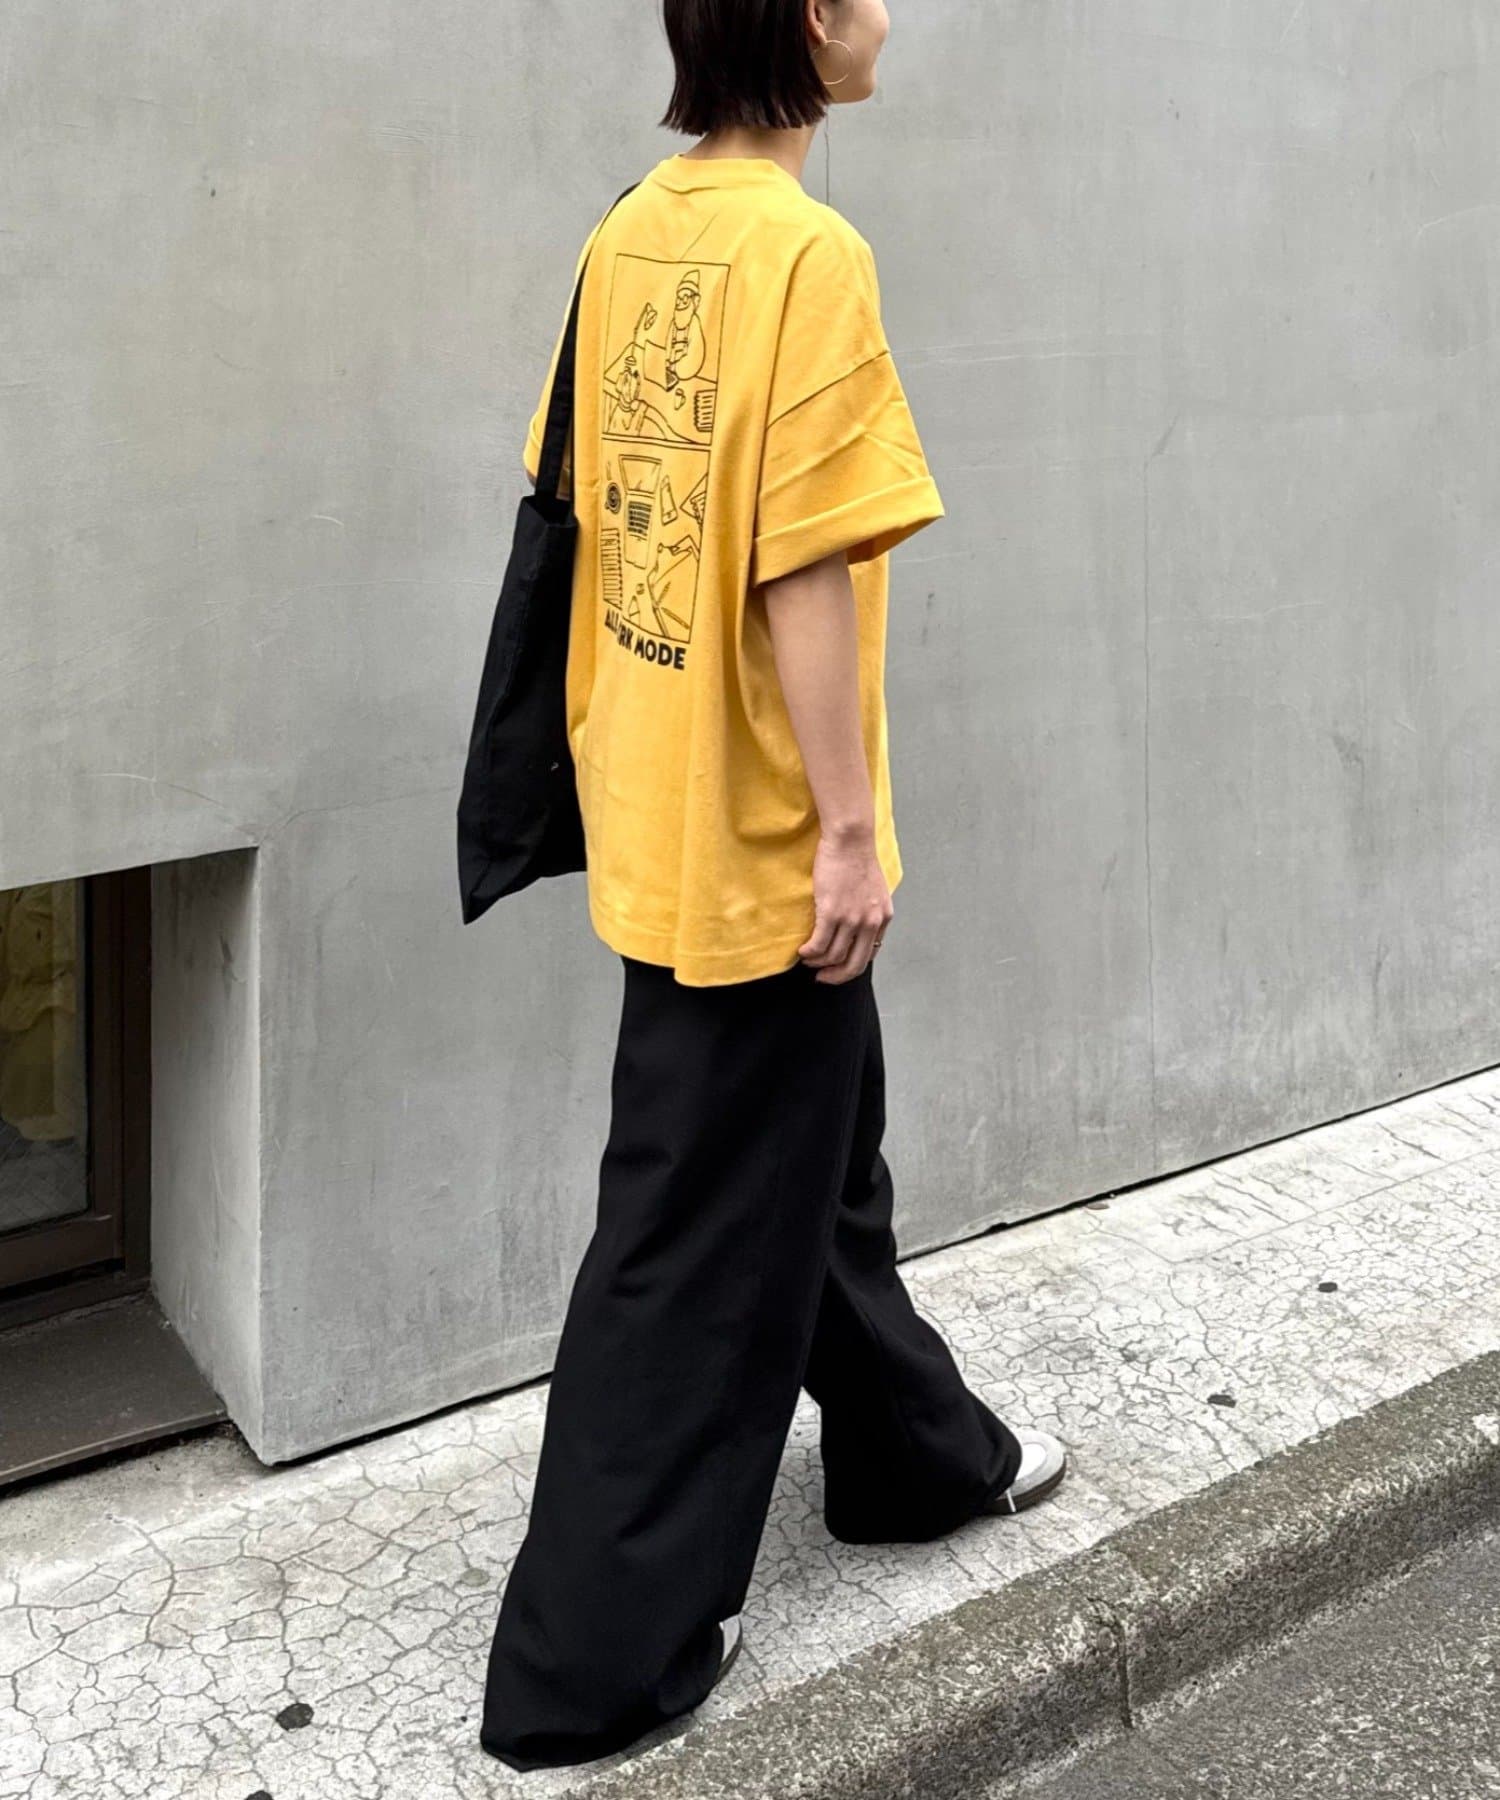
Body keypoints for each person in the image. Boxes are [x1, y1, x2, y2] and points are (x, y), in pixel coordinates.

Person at [479, 0, 1068, 1773]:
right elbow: (802, 565)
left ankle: (915, 1460)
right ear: (812, 20)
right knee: (685, 1234)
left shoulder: (632, 229)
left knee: (817, 1162)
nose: (893, 11)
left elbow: (583, 504)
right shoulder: (811, 256)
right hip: (755, 833)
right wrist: (848, 829)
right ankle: (592, 1659)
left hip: (654, 787)